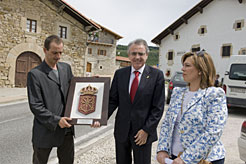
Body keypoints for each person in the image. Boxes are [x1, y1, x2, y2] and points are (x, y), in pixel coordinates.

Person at [27, 35, 99, 164]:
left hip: (66, 129)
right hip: (45, 129)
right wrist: (56, 120)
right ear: (45, 50)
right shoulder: (35, 74)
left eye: (60, 52)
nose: (58, 56)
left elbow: (75, 90)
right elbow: (35, 106)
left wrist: (91, 82)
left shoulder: (65, 68)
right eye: (54, 53)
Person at [156, 51, 228, 164]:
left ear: (200, 70)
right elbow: (167, 124)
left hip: (203, 160)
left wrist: (186, 158)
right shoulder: (177, 93)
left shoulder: (214, 94)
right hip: (174, 157)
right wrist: (162, 149)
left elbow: (213, 131)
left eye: (187, 66)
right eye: (183, 65)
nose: (183, 69)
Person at [108, 39, 165, 164]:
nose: (137, 57)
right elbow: (112, 101)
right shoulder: (120, 74)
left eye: (141, 54)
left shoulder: (157, 75)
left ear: (147, 55)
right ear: (128, 55)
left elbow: (158, 108)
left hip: (142, 134)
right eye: (134, 54)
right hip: (122, 131)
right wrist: (99, 117)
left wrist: (146, 130)